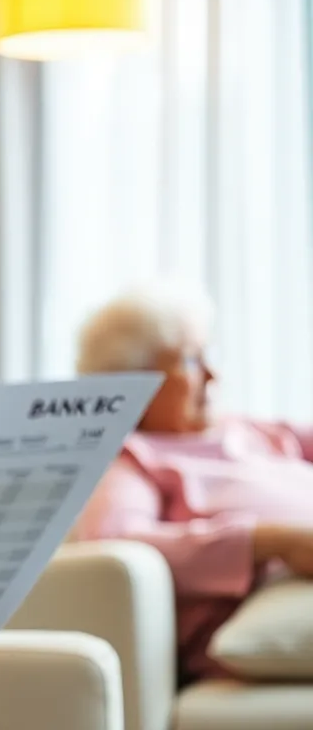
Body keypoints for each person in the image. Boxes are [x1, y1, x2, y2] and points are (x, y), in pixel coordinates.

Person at [70, 284, 313, 685]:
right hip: (266, 610)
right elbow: (112, 544)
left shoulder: (250, 429)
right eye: (189, 361)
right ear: (134, 382)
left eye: (207, 355)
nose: (212, 374)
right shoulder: (133, 459)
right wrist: (270, 541)